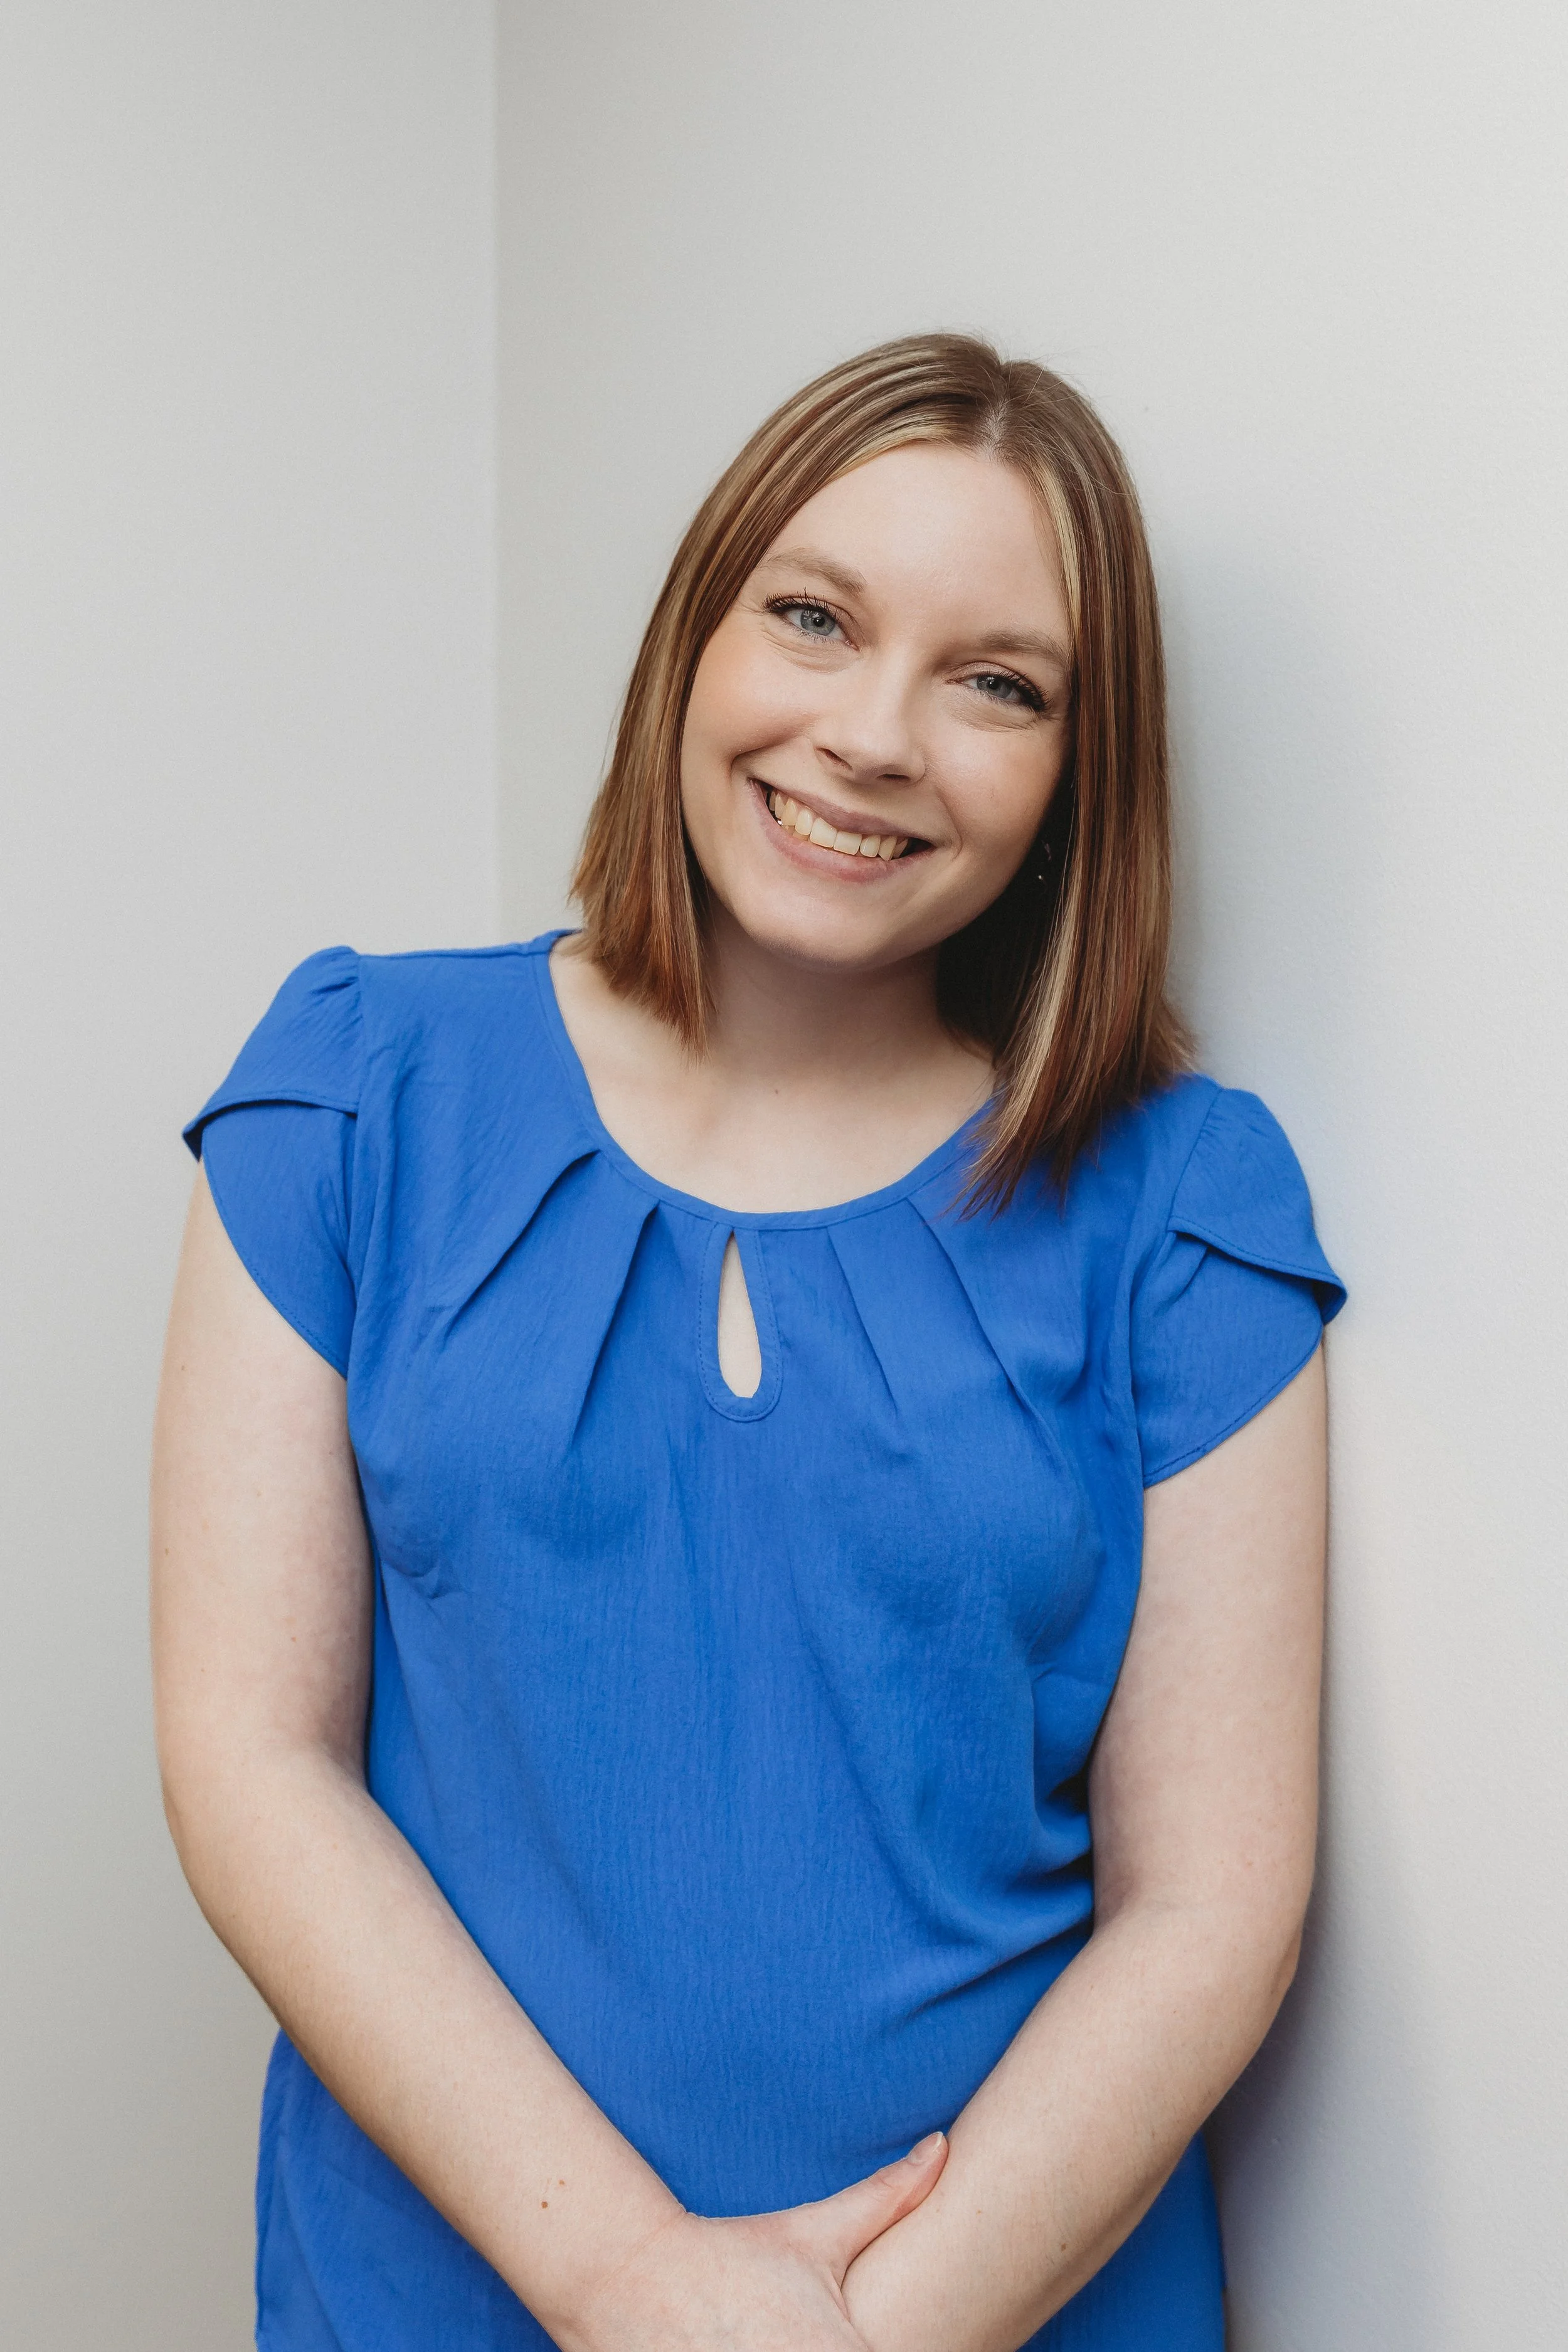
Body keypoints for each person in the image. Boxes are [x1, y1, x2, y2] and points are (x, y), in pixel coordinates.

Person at [151, 332, 1344, 2352]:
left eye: (998, 682)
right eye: (812, 615)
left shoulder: (1183, 1200)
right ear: (695, 635)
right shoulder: (358, 1088)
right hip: (447, 2284)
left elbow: (1209, 1909)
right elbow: (254, 1760)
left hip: (1004, 2311)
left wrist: (861, 2333)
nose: (873, 733)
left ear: (1078, 769)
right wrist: (627, 2277)